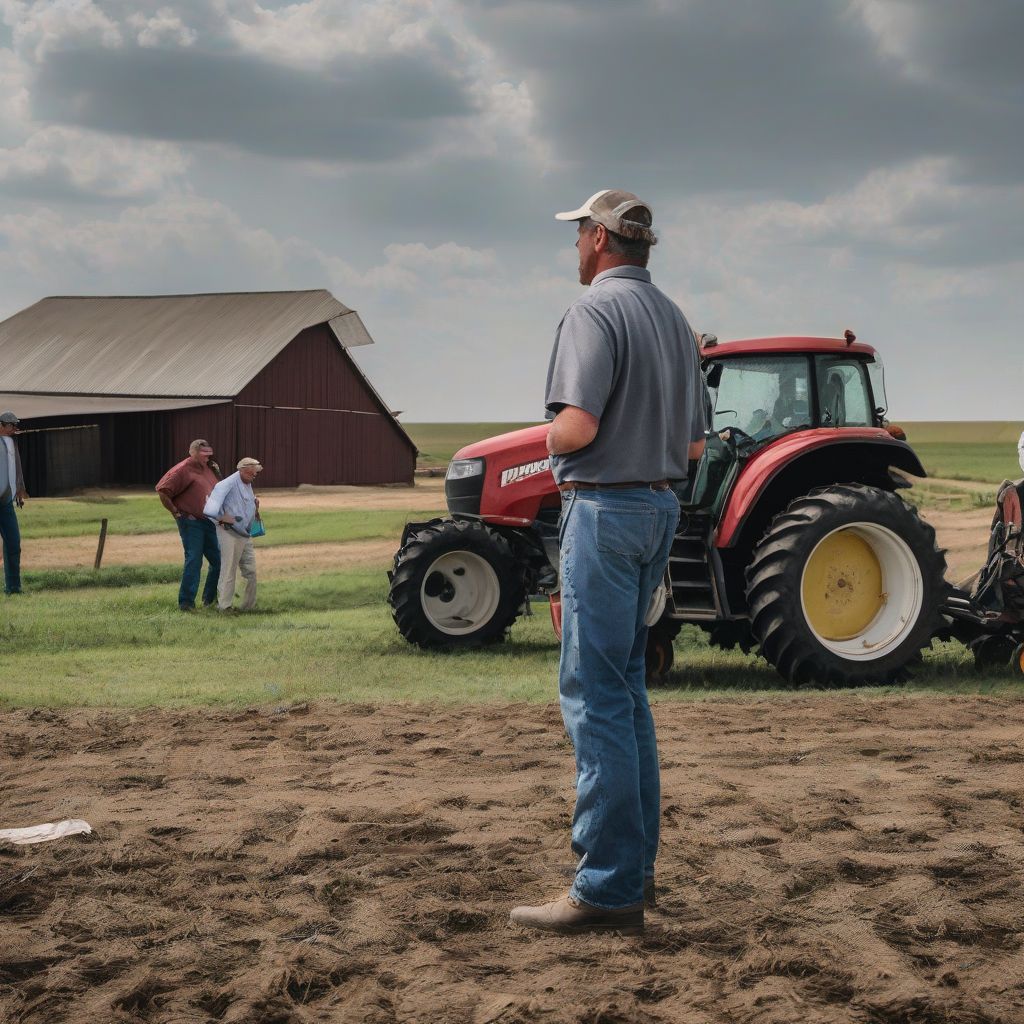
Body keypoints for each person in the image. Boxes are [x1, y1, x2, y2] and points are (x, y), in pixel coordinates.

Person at [510, 190, 706, 936]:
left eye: (578, 234)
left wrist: (540, 439)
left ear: (598, 239)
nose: (575, 247)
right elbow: (693, 447)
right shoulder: (675, 322)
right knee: (627, 693)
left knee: (594, 699)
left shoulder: (592, 312)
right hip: (658, 511)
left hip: (605, 511)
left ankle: (605, 886)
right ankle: (635, 871)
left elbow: (579, 424)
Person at [156, 439, 221, 611]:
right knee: (194, 559)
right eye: (202, 452)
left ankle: (209, 600)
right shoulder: (182, 469)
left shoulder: (209, 468)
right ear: (192, 452)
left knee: (219, 560)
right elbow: (163, 490)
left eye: (208, 453)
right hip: (190, 521)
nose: (206, 456)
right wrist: (176, 512)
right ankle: (186, 603)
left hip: (208, 521)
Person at [204, 457, 262, 614]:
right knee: (228, 569)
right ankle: (224, 606)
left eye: (256, 472)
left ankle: (248, 607)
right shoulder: (225, 484)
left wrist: (255, 507)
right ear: (242, 469)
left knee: (250, 571)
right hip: (229, 533)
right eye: (252, 472)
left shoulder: (247, 483)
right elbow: (209, 510)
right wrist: (222, 518)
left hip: (245, 534)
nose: (255, 475)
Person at [0, 411, 28, 595]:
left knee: (13, 544)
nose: (14, 428)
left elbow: (15, 470)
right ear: (1, 425)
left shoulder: (12, 443)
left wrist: (19, 490)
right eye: (11, 425)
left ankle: (14, 587)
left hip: (6, 502)